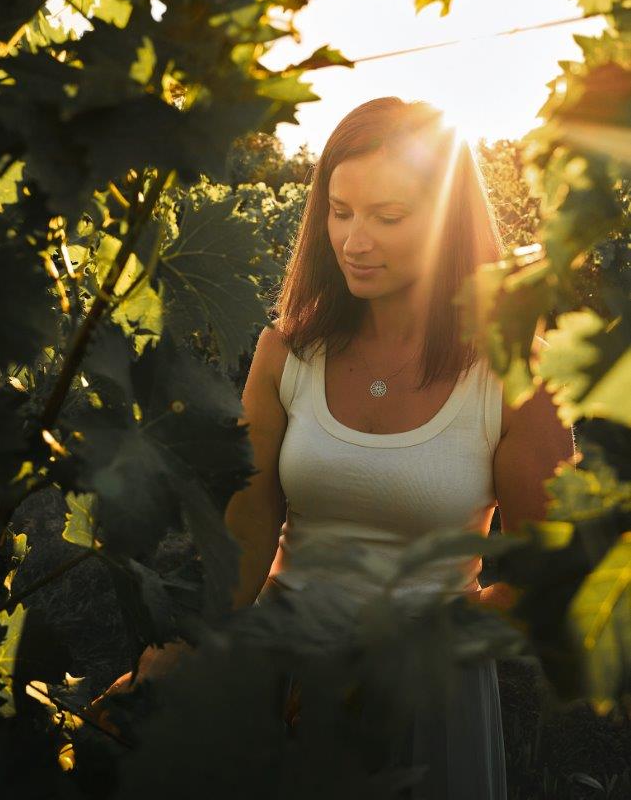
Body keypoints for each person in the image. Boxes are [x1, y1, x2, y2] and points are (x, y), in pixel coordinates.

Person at [90, 97, 577, 796]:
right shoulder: (287, 351)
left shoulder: (513, 373)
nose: (353, 240)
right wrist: (180, 648)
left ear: (447, 223)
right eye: (340, 211)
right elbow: (247, 534)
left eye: (387, 216)